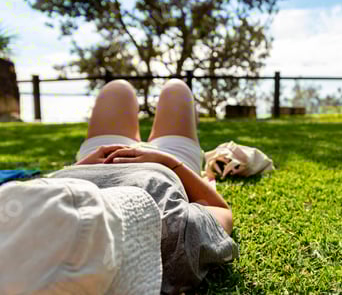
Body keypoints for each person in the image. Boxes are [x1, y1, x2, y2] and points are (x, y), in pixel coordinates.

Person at [47, 78, 239, 294]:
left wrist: (76, 169)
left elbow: (33, 189)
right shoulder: (173, 243)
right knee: (176, 89)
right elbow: (220, 209)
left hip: (98, 161)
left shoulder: (30, 250)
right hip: (165, 162)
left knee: (117, 89)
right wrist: (166, 161)